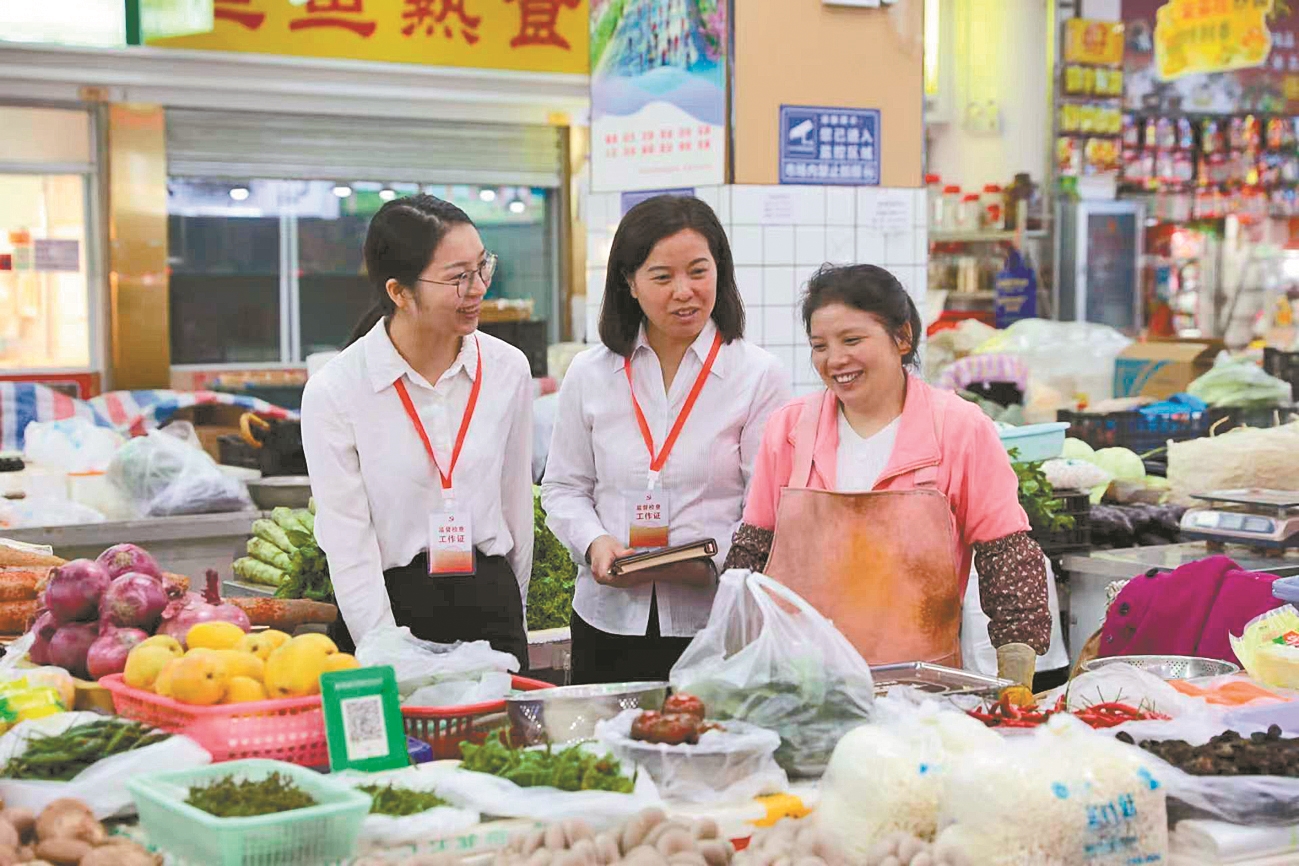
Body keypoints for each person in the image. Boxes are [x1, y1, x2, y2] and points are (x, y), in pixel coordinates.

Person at [724, 264, 1051, 694]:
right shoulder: (789, 429)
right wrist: (730, 660)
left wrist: (1016, 671)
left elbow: (1006, 557)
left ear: (902, 338)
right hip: (799, 688)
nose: (834, 359)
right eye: (820, 345)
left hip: (922, 692)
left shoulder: (960, 428)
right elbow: (751, 555)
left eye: (852, 340)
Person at [542, 195, 790, 685]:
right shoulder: (591, 372)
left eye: (698, 272)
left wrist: (709, 560)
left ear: (720, 271)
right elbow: (564, 488)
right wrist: (595, 543)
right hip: (607, 621)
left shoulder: (758, 374)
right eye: (662, 277)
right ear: (629, 282)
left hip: (715, 624)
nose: (684, 292)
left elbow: (767, 506)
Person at [300, 194, 534, 668]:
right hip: (388, 610)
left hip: (491, 605)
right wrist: (386, 652)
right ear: (400, 292)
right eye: (457, 277)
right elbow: (348, 545)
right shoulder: (336, 390)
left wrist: (515, 614)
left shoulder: (508, 369)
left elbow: (516, 506)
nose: (477, 288)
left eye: (482, 267)